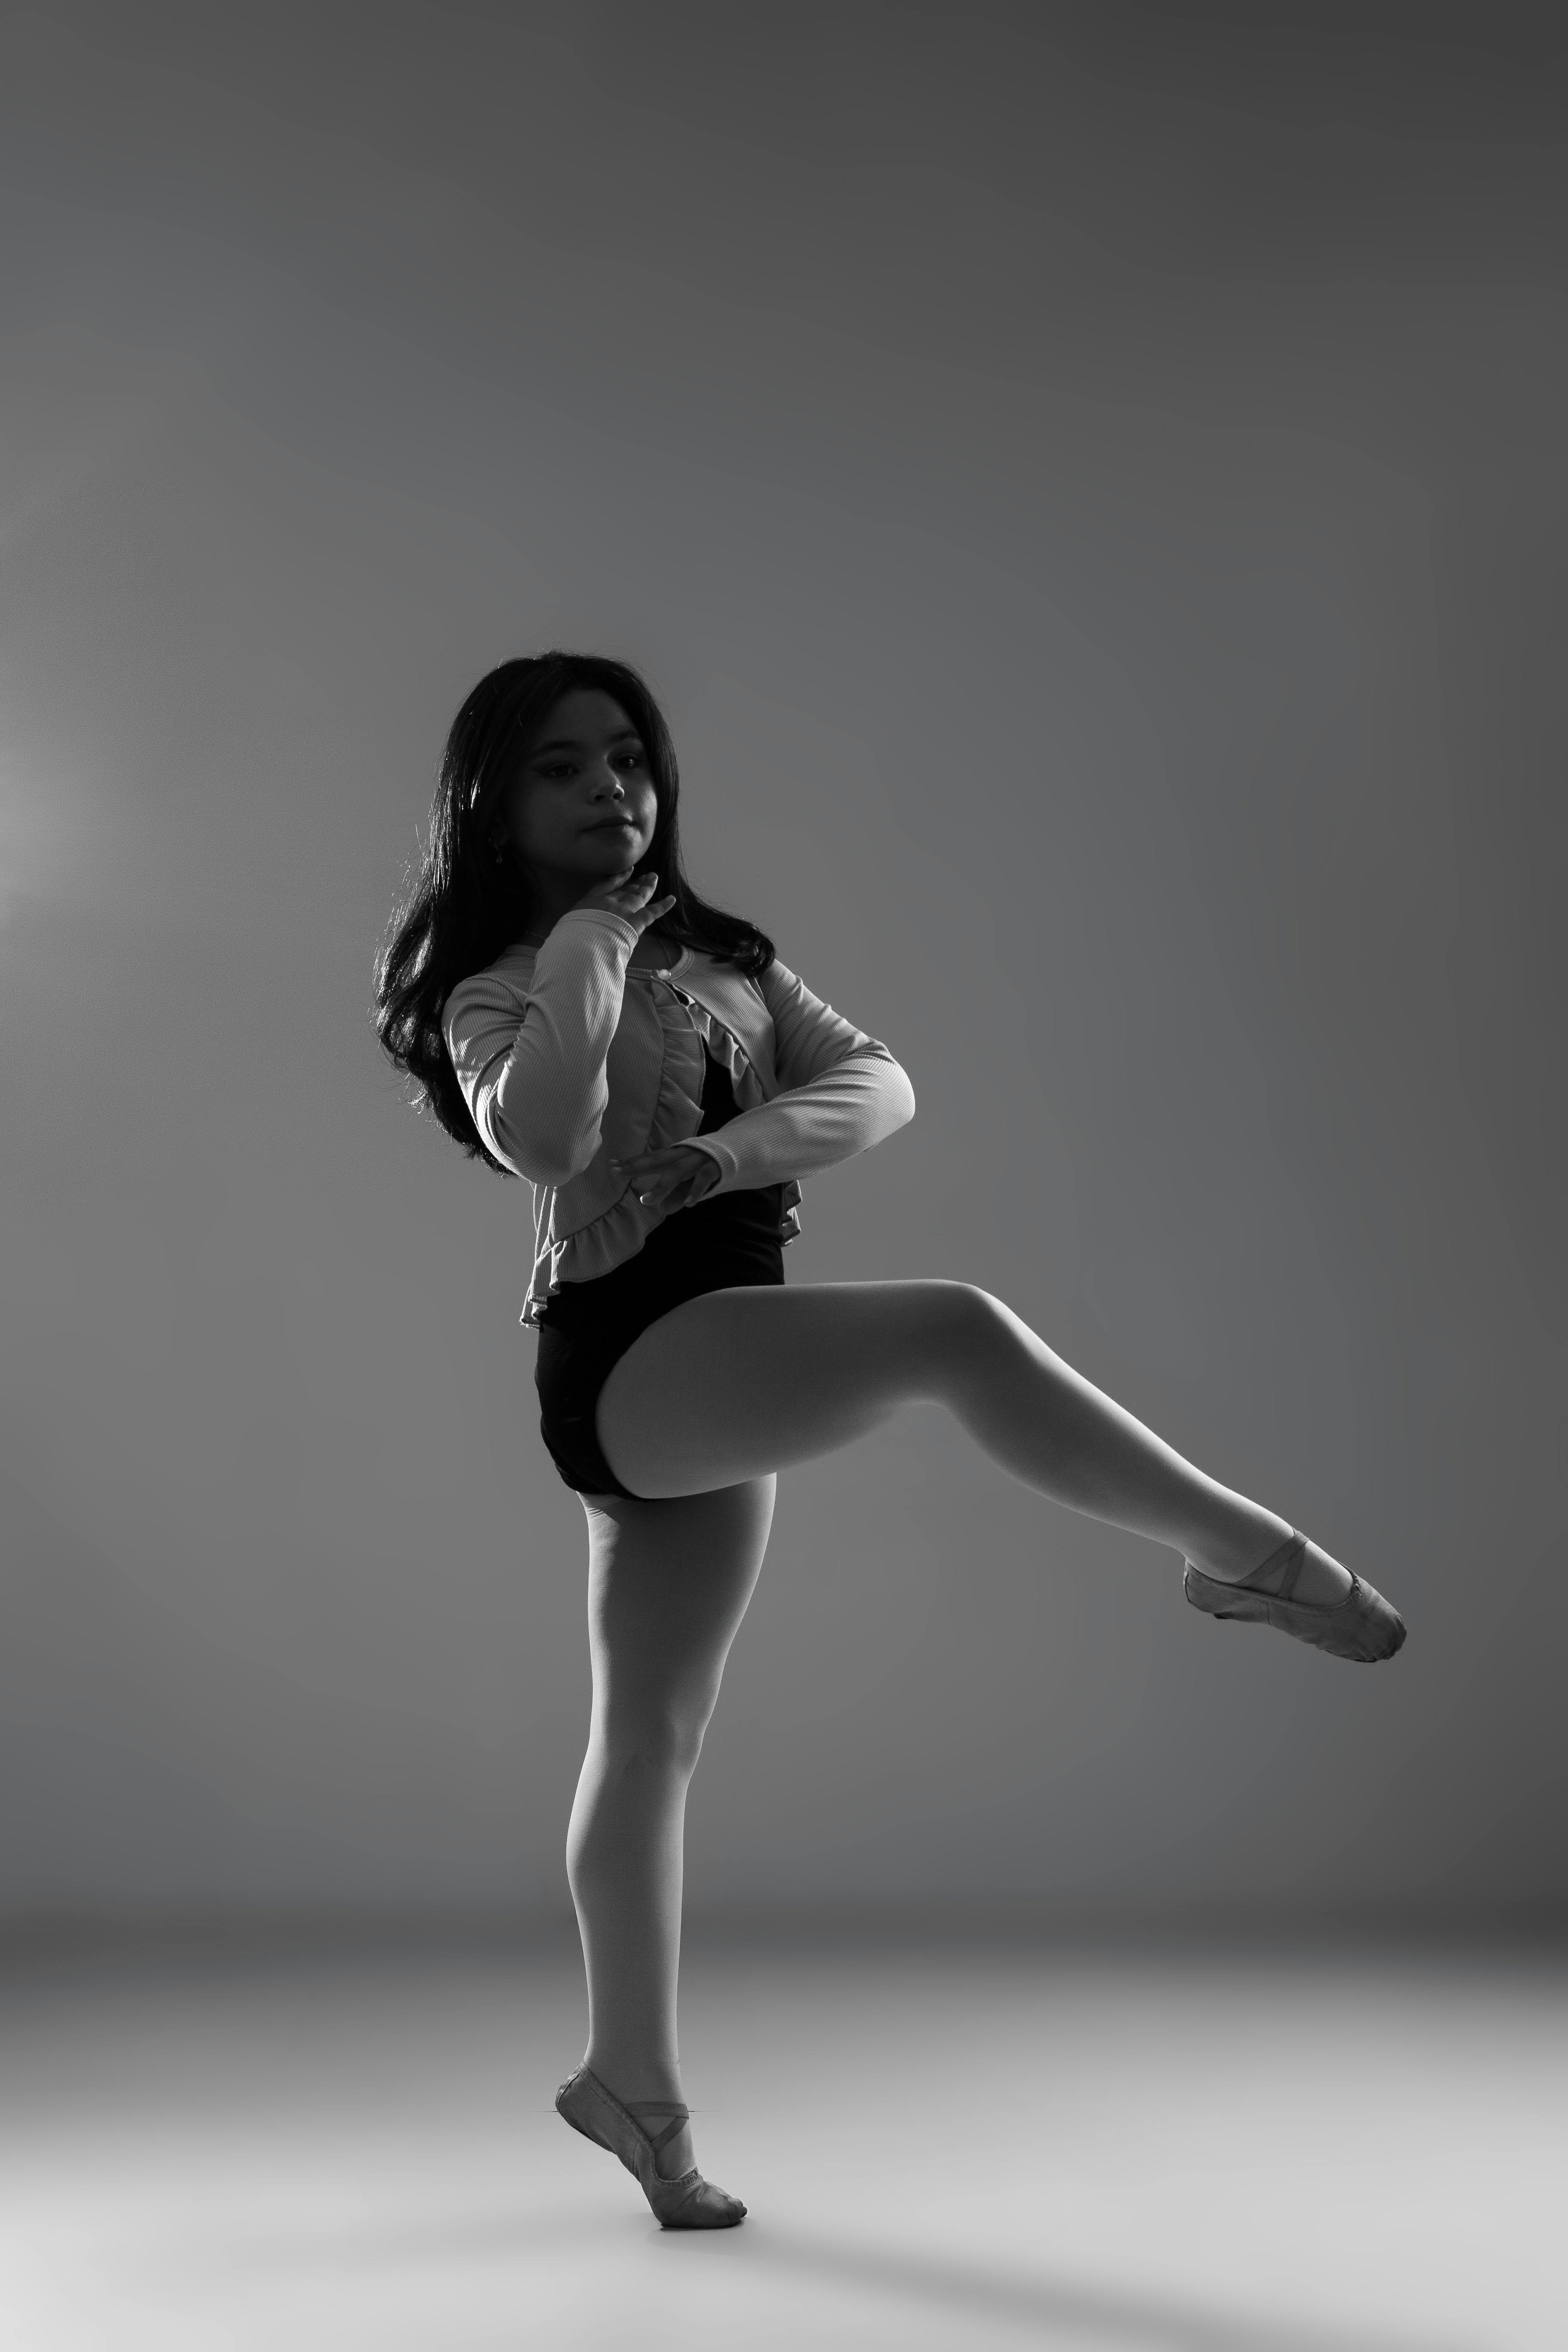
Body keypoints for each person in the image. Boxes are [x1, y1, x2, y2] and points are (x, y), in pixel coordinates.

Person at [373, 651, 1406, 2231]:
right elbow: (547, 1133)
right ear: (494, 805)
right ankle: (1245, 1559)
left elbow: (880, 1084)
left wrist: (722, 1156)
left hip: (725, 1348)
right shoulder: (499, 984)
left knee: (649, 1741)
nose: (613, 791)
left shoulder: (726, 964)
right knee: (955, 1332)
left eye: (630, 759)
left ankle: (631, 2094)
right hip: (635, 1359)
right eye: (565, 769)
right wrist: (586, 939)